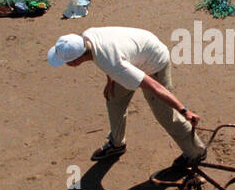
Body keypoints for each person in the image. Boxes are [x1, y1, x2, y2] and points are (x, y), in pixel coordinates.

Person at [47, 27, 205, 173]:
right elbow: (108, 56)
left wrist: (184, 110)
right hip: (133, 55)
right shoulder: (86, 38)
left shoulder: (113, 63)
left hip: (154, 62)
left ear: (74, 62)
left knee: (166, 115)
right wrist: (111, 81)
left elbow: (156, 88)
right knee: (113, 98)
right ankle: (117, 144)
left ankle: (195, 152)